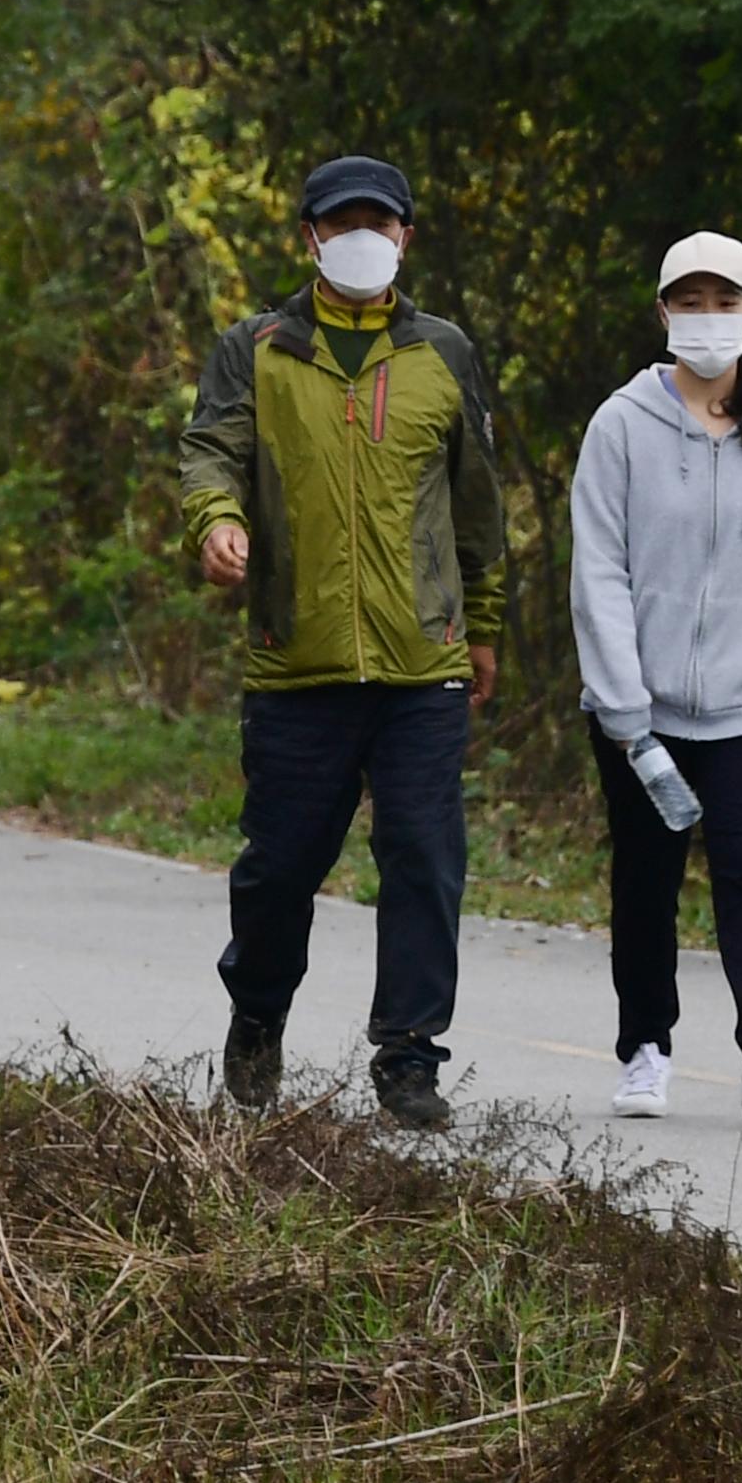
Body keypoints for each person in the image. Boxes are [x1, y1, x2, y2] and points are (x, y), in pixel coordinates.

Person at [178, 155, 506, 1130]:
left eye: (380, 220)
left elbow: (477, 501)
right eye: (341, 221)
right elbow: (211, 450)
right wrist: (215, 520)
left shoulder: (445, 350)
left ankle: (408, 1056)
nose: (361, 235)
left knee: (423, 855)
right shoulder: (257, 346)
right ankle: (259, 1013)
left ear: (405, 235)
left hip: (423, 663)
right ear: (310, 236)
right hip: (296, 658)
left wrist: (480, 626)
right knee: (278, 867)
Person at [568, 230, 742, 1125]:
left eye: (724, 302)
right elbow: (599, 572)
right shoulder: (621, 425)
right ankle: (645, 1048)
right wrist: (622, 707)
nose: (706, 318)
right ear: (663, 314)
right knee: (646, 882)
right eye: (689, 302)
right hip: (640, 709)